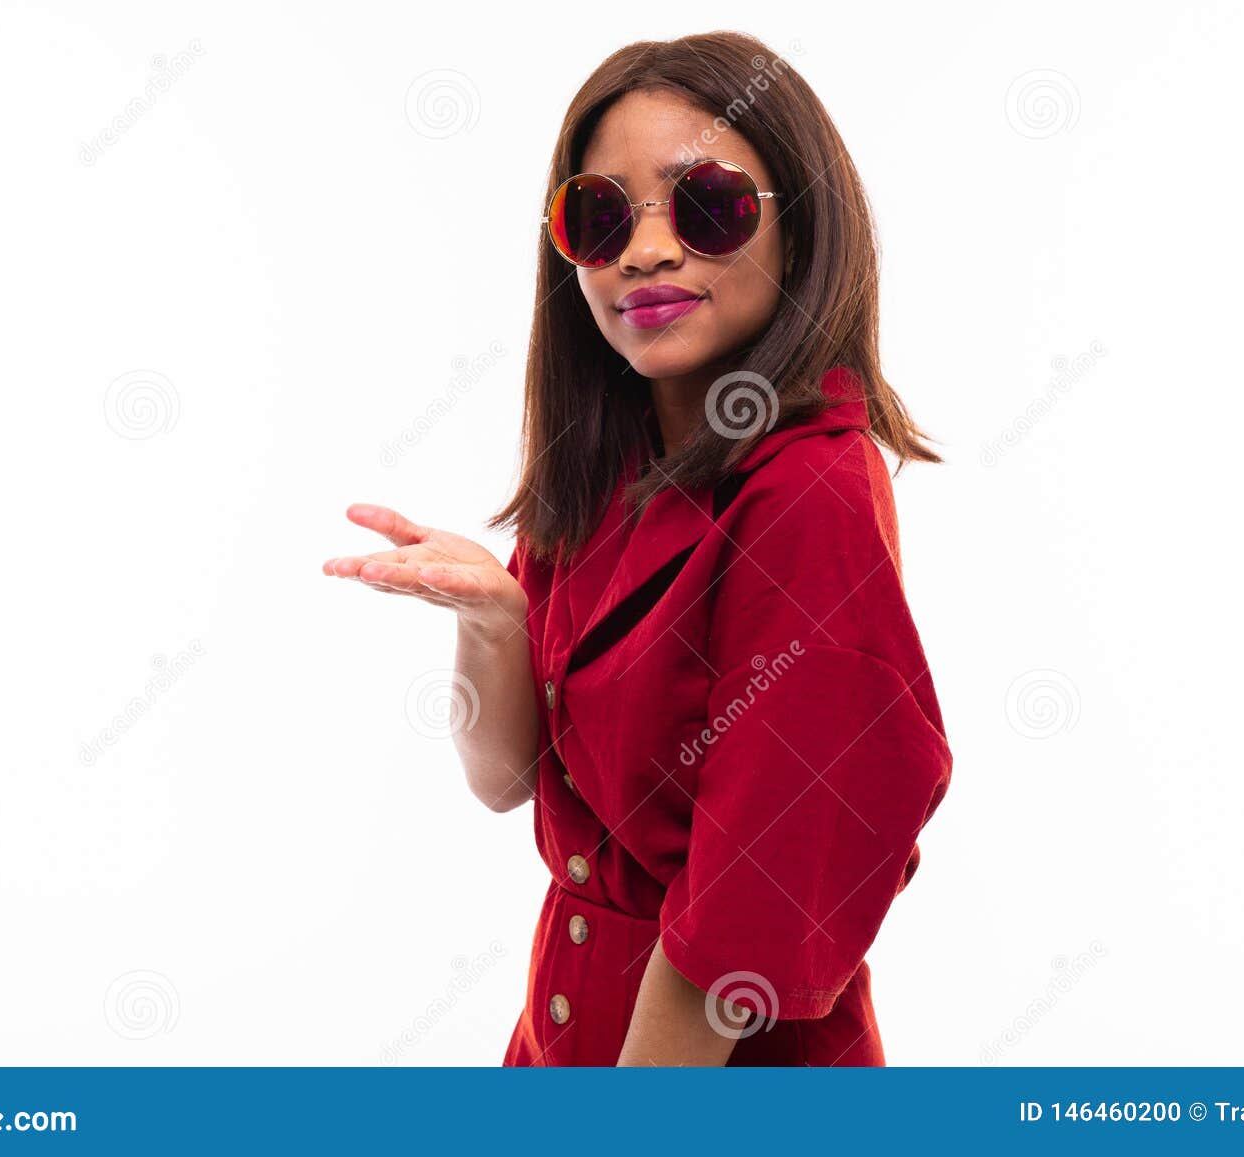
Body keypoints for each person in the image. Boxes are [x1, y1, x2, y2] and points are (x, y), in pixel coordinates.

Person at [323, 30, 953, 1065]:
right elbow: (504, 778)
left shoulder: (810, 490)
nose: (645, 250)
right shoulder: (607, 468)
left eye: (707, 205)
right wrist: (497, 622)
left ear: (801, 230)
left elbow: (750, 911)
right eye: (599, 214)